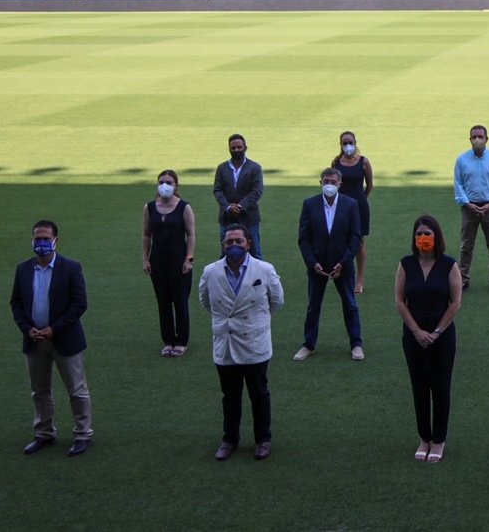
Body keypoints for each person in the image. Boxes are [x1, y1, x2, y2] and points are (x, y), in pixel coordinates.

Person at [199, 223, 284, 461]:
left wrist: (257, 323)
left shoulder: (265, 269)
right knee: (230, 395)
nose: (234, 246)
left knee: (259, 393)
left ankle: (263, 440)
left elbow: (276, 301)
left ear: (249, 244)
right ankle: (229, 440)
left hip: (255, 343)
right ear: (222, 245)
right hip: (226, 344)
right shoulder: (210, 272)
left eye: (238, 241)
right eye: (229, 242)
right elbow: (206, 302)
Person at [10, 220, 94, 457]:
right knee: (39, 391)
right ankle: (44, 432)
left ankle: (83, 434)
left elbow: (80, 304)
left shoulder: (71, 268)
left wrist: (54, 329)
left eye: (46, 238)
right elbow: (16, 303)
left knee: (77, 391)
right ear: (32, 241)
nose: (42, 243)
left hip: (65, 340)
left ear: (56, 241)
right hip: (34, 340)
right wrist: (28, 329)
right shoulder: (23, 269)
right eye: (38, 239)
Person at [396, 215, 462, 463]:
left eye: (428, 233)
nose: (423, 238)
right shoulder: (405, 264)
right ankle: (424, 437)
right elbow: (400, 301)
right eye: (419, 234)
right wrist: (416, 331)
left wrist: (435, 332)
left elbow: (455, 303)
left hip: (441, 337)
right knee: (419, 387)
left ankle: (439, 440)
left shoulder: (448, 265)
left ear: (437, 237)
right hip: (413, 336)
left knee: (440, 387)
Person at [295, 168, 364, 361]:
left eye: (333, 182)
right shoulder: (310, 204)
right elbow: (304, 238)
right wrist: (312, 262)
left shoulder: (351, 205)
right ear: (320, 183)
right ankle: (308, 345)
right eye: (326, 181)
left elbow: (355, 237)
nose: (330, 185)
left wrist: (344, 262)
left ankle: (356, 344)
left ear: (340, 184)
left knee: (350, 305)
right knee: (313, 306)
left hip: (343, 265)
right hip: (317, 266)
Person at [142, 169, 197, 357]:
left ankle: (181, 341)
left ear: (176, 185)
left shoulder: (184, 207)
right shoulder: (149, 207)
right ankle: (168, 340)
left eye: (169, 182)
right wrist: (145, 259)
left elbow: (191, 234)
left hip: (179, 261)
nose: (164, 185)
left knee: (180, 301)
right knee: (163, 302)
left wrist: (189, 259)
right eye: (161, 182)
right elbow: (146, 234)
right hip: (158, 260)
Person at [453, 124, 489, 293]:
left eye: (480, 137)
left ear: (486, 139)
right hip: (469, 208)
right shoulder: (462, 160)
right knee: (466, 246)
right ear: (470, 140)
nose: (477, 140)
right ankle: (463, 280)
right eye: (474, 137)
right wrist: (468, 204)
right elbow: (458, 184)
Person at [332, 130, 374, 295]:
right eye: (344, 143)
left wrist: (361, 199)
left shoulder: (364, 162)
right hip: (341, 207)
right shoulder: (336, 162)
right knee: (341, 240)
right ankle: (342, 274)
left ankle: (359, 280)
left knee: (359, 242)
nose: (348, 146)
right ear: (340, 145)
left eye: (350, 142)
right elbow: (333, 183)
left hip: (359, 206)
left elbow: (370, 185)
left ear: (356, 143)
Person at [213, 133, 265, 259]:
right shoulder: (222, 168)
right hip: (227, 217)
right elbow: (217, 190)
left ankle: (259, 279)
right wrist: (228, 207)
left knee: (254, 252)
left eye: (239, 147)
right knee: (226, 253)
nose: (236, 150)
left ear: (245, 148)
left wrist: (240, 206)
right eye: (233, 148)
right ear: (229, 149)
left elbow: (256, 191)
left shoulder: (254, 168)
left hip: (249, 217)